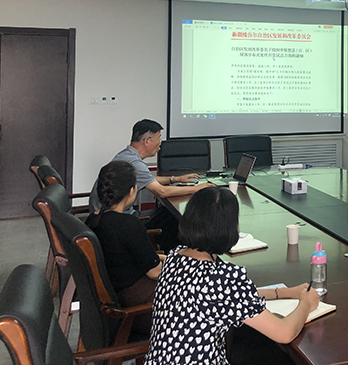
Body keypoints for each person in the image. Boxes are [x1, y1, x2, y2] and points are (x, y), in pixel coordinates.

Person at [145, 186, 320, 365]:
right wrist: (306, 304)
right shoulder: (221, 279)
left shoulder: (175, 257)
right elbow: (284, 333)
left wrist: (283, 292)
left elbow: (228, 296)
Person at [88, 119, 212, 251]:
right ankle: (172, 254)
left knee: (166, 213)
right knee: (173, 218)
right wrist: (196, 189)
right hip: (118, 222)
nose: (160, 143)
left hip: (101, 218)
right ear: (147, 141)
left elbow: (147, 179)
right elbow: (161, 192)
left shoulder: (126, 155)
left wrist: (175, 179)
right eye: (159, 138)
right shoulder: (134, 163)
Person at [86, 161, 163, 334]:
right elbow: (155, 272)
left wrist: (167, 257)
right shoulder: (129, 224)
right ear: (131, 191)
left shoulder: (93, 220)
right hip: (138, 306)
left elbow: (129, 255)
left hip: (117, 292)